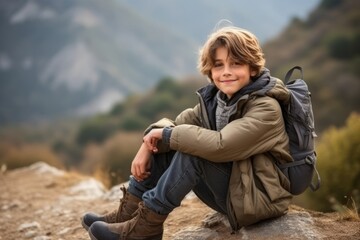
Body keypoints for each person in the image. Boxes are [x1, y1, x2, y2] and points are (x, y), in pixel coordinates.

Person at [81, 25, 293, 240]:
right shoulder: (216, 101)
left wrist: (165, 136)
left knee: (192, 148)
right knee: (173, 140)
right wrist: (148, 143)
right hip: (233, 191)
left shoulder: (267, 108)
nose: (226, 71)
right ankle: (128, 215)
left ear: (253, 69)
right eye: (218, 65)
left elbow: (222, 145)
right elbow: (175, 125)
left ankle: (146, 228)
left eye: (236, 64)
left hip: (257, 199)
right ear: (210, 71)